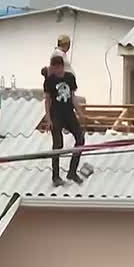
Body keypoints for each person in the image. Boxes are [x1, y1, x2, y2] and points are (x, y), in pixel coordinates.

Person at [43, 54, 86, 187]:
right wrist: (48, 119)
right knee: (58, 145)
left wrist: (80, 114)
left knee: (80, 139)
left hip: (69, 113)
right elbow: (47, 100)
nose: (56, 70)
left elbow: (73, 97)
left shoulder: (69, 78)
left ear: (62, 66)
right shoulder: (49, 81)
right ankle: (55, 176)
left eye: (58, 68)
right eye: (54, 68)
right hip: (56, 114)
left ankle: (72, 172)